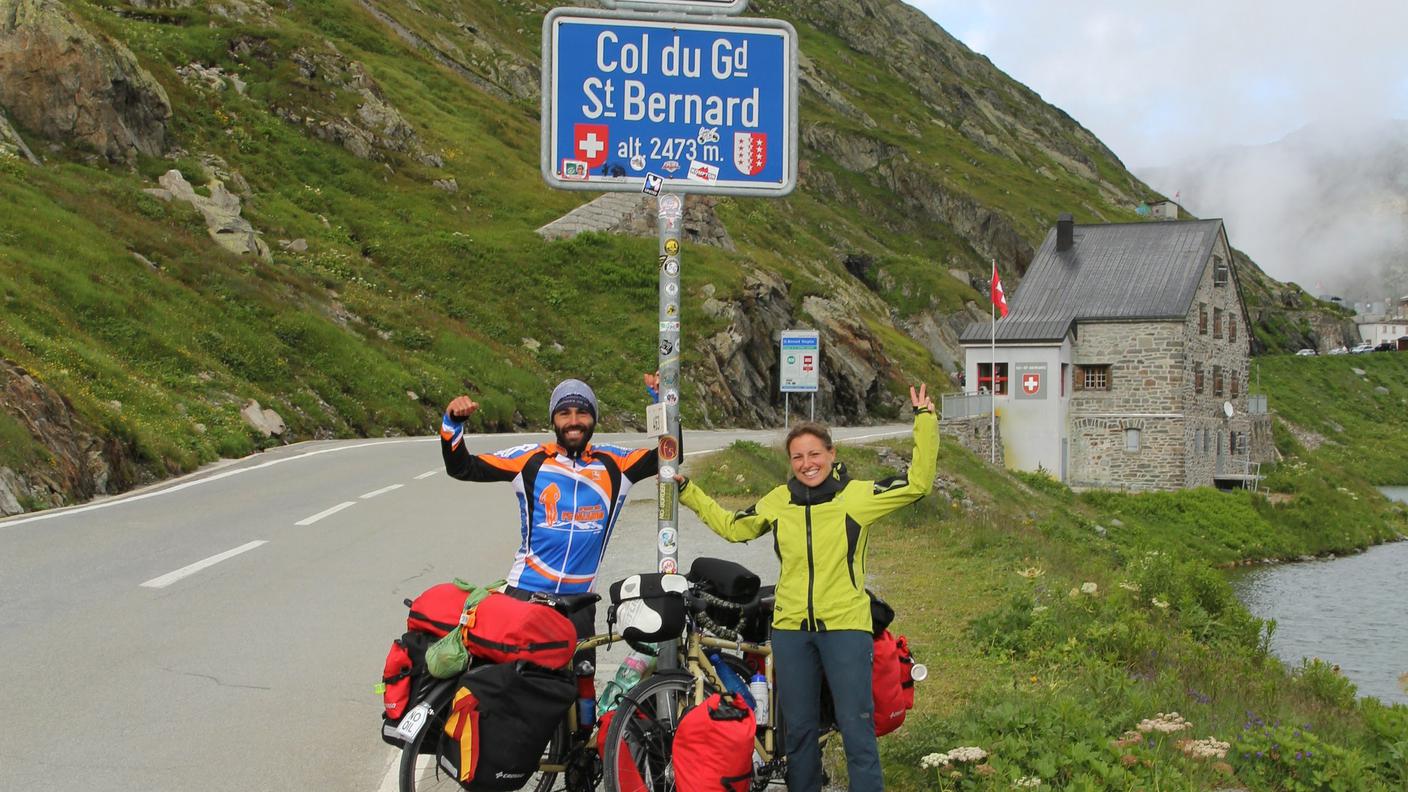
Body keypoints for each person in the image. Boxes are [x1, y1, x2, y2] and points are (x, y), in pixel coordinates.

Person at [673, 385, 938, 792]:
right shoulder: (780, 500)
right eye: (798, 456)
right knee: (798, 734)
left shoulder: (857, 497)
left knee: (856, 731)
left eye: (815, 454)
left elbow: (918, 484)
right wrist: (689, 492)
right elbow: (732, 526)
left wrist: (924, 420)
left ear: (831, 455)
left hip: (846, 628)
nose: (807, 463)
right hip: (792, 631)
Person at [440, 379, 658, 713]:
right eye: (565, 412)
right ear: (553, 419)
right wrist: (452, 424)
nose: (574, 420)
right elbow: (462, 467)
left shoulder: (616, 464)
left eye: (582, 412)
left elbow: (672, 454)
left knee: (576, 695)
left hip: (578, 605)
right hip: (525, 596)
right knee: (513, 694)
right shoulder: (529, 460)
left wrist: (663, 399)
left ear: (594, 418)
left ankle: (573, 763)